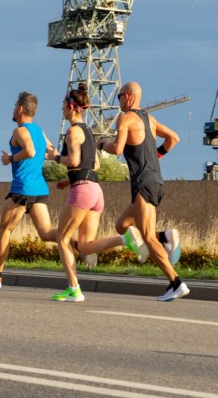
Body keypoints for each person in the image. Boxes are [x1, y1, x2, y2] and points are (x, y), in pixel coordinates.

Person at [46, 84, 149, 303]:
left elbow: (73, 161)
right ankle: (125, 238)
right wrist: (68, 179)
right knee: (84, 245)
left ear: (73, 107)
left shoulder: (73, 131)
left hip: (82, 191)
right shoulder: (89, 132)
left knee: (62, 239)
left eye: (64, 105)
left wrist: (54, 157)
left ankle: (74, 288)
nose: (62, 109)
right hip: (95, 190)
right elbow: (95, 164)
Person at [97, 81, 189, 301]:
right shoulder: (150, 119)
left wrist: (102, 144)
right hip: (156, 182)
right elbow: (173, 138)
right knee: (122, 225)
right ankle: (165, 236)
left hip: (143, 184)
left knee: (147, 237)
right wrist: (156, 157)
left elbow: (117, 149)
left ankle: (176, 283)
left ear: (127, 96)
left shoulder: (125, 118)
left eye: (118, 96)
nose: (117, 100)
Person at [0, 91, 60, 289]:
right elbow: (52, 153)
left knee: (4, 229)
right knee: (47, 233)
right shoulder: (40, 131)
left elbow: (30, 151)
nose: (13, 109)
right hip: (40, 189)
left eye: (15, 106)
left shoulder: (20, 131)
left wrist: (10, 159)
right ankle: (81, 245)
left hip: (22, 189)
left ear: (21, 109)